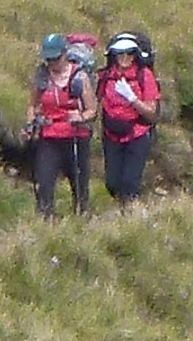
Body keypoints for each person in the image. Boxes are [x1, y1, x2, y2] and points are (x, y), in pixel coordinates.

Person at [24, 33, 97, 218]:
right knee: (44, 185)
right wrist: (30, 123)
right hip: (49, 138)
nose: (51, 63)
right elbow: (32, 105)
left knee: (79, 187)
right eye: (48, 59)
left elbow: (92, 110)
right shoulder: (41, 77)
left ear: (65, 54)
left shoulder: (79, 77)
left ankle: (82, 220)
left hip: (75, 137)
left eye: (55, 58)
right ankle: (45, 223)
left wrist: (79, 117)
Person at [96, 33, 160, 207]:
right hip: (111, 136)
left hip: (137, 135)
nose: (124, 58)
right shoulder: (107, 75)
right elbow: (97, 99)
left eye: (129, 54)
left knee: (129, 183)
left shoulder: (144, 76)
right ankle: (123, 208)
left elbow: (151, 113)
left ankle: (129, 216)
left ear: (135, 55)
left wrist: (132, 99)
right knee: (112, 183)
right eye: (120, 54)